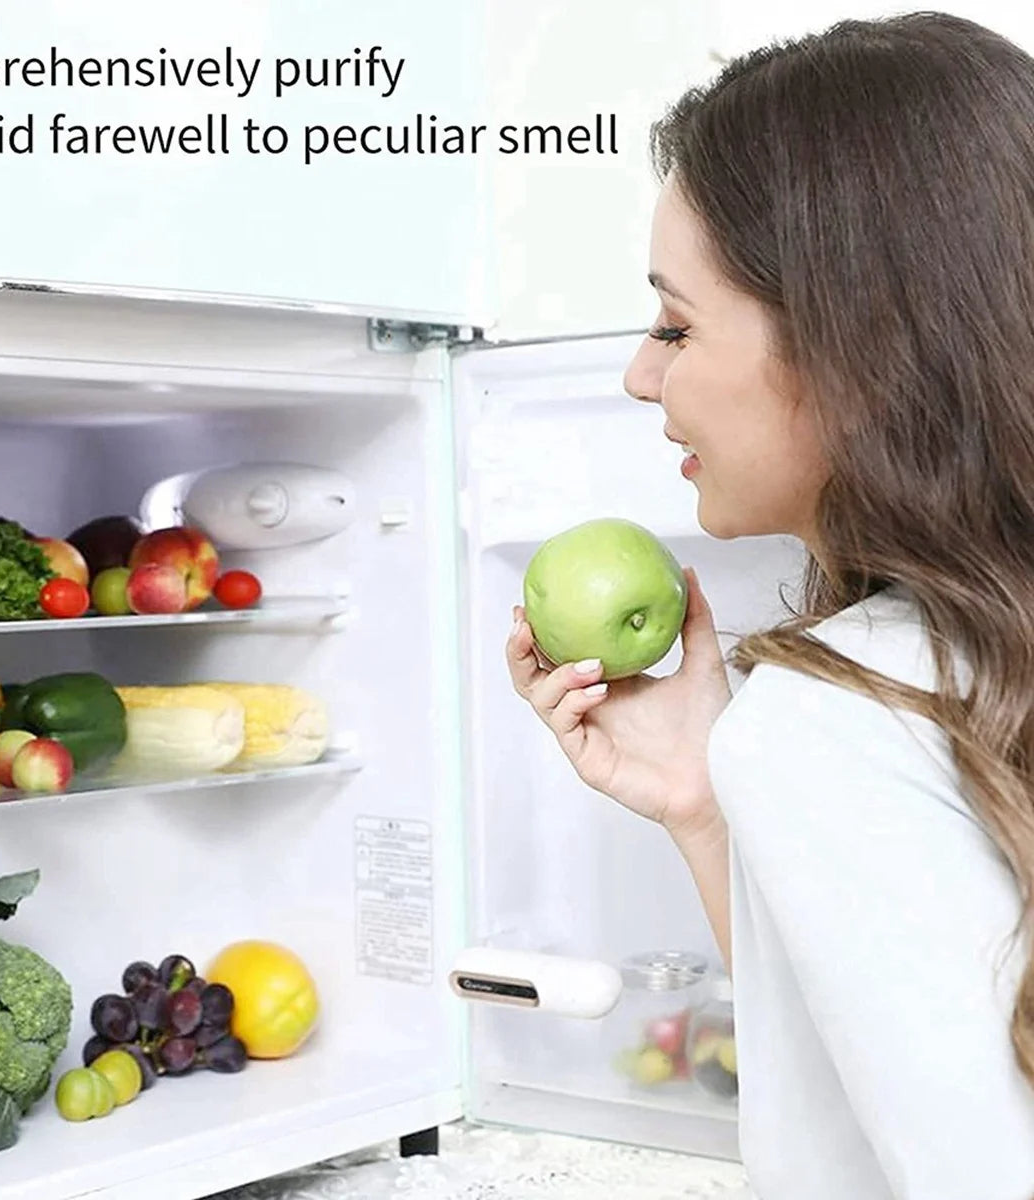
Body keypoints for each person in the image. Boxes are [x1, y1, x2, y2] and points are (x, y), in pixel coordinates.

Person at [507, 12, 1034, 1199]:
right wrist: (707, 804)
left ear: (860, 347)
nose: (641, 374)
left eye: (676, 324)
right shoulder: (942, 671)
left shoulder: (834, 714)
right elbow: (895, 1075)